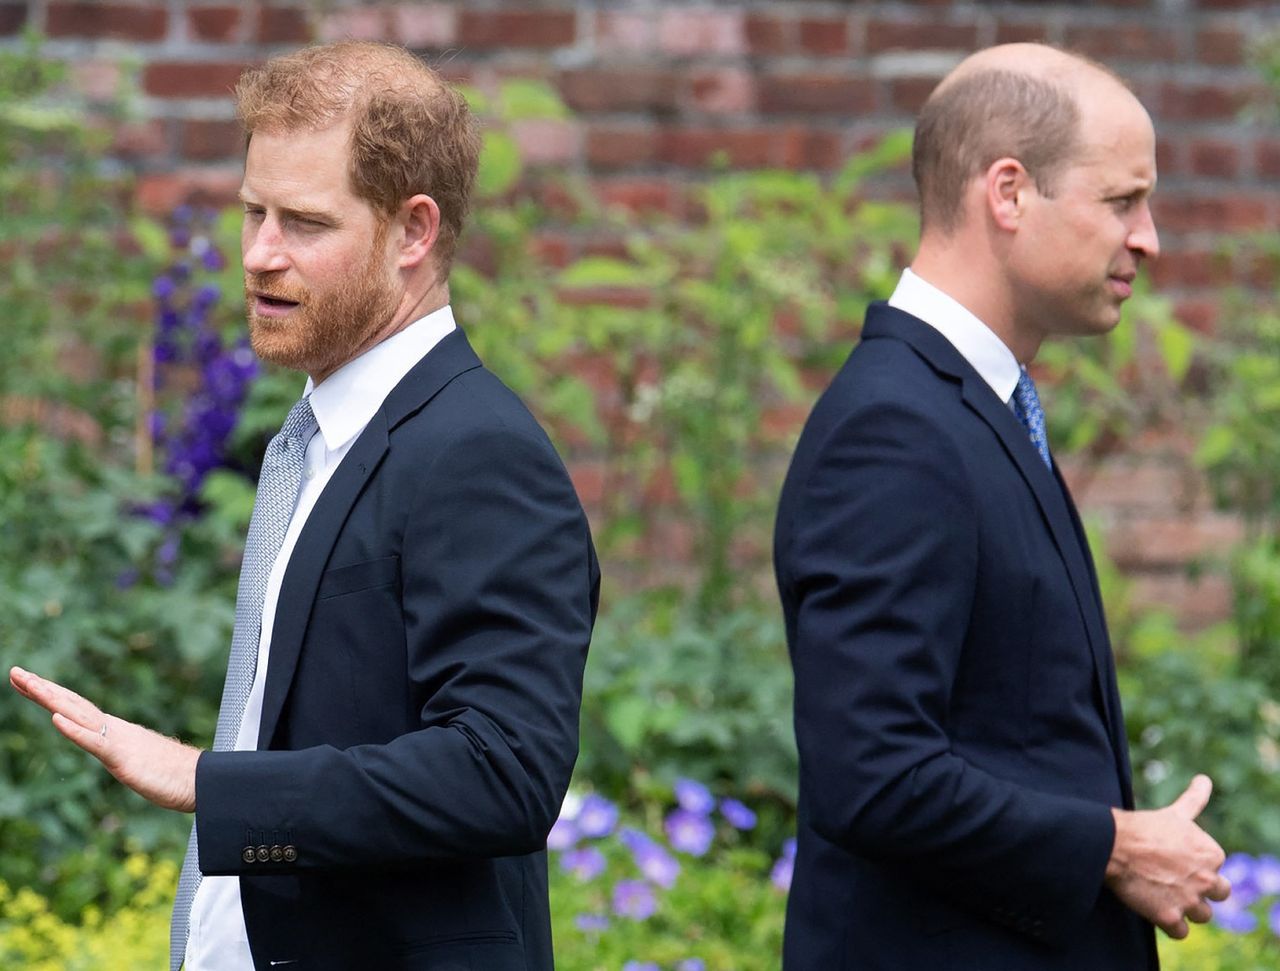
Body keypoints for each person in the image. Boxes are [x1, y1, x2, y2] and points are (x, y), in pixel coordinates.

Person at [10, 41, 599, 971]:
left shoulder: (476, 451)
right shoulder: (319, 434)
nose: (259, 255)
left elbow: (504, 772)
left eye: (305, 223)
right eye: (252, 211)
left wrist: (212, 783)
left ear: (413, 232)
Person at [773, 43, 1229, 970]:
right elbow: (872, 773)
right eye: (1120, 200)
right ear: (1008, 192)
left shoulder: (971, 408)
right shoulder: (897, 431)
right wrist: (1114, 843)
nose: (1149, 237)